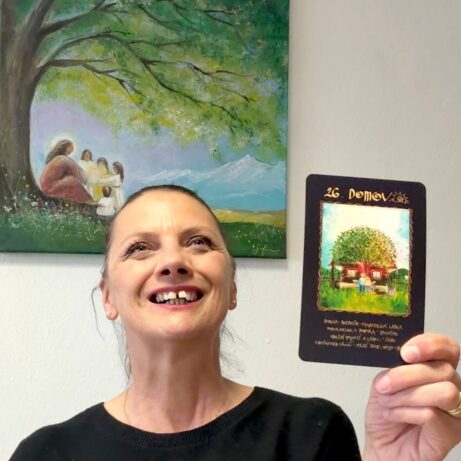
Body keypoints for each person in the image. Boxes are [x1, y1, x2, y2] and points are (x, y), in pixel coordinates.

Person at [9, 185, 461, 461]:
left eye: (199, 242)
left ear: (233, 287)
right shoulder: (45, 454)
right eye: (140, 248)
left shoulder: (310, 433)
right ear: (108, 296)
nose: (173, 261)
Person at [39, 139, 92, 203]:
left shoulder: (57, 158)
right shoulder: (63, 159)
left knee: (69, 179)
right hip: (50, 188)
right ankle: (87, 201)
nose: (73, 149)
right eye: (71, 147)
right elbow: (77, 172)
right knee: (72, 181)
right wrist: (87, 178)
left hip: (45, 187)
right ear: (67, 148)